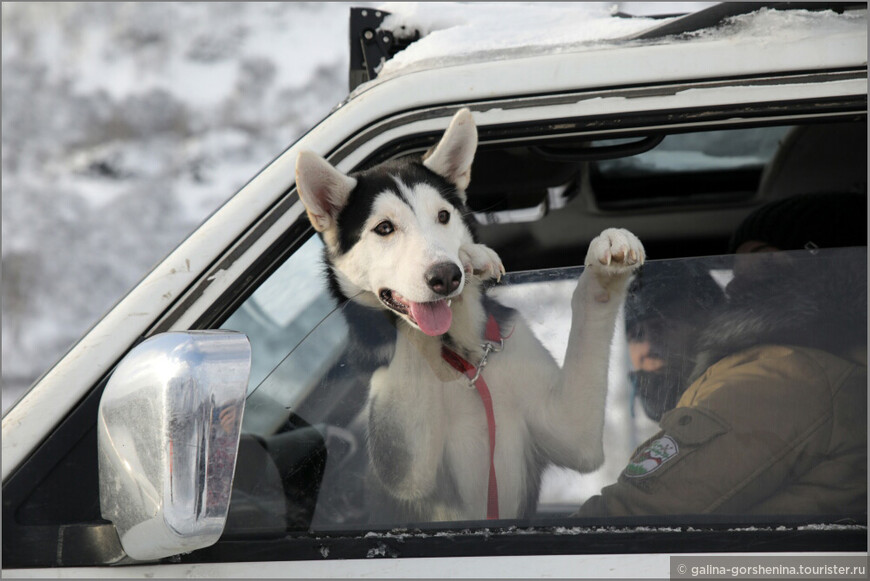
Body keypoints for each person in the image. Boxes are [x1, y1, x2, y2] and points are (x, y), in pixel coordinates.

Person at [578, 192, 867, 518]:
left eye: (765, 261)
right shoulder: (819, 369)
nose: (734, 288)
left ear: (833, 266)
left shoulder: (785, 376)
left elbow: (627, 517)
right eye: (636, 332)